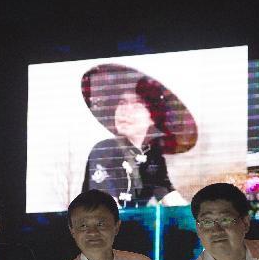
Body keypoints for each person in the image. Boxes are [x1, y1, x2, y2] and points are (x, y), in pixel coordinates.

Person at [81, 64, 196, 208]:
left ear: (152, 117)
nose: (125, 111)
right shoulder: (105, 150)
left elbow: (170, 198)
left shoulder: (152, 157)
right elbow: (105, 206)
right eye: (122, 103)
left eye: (137, 105)